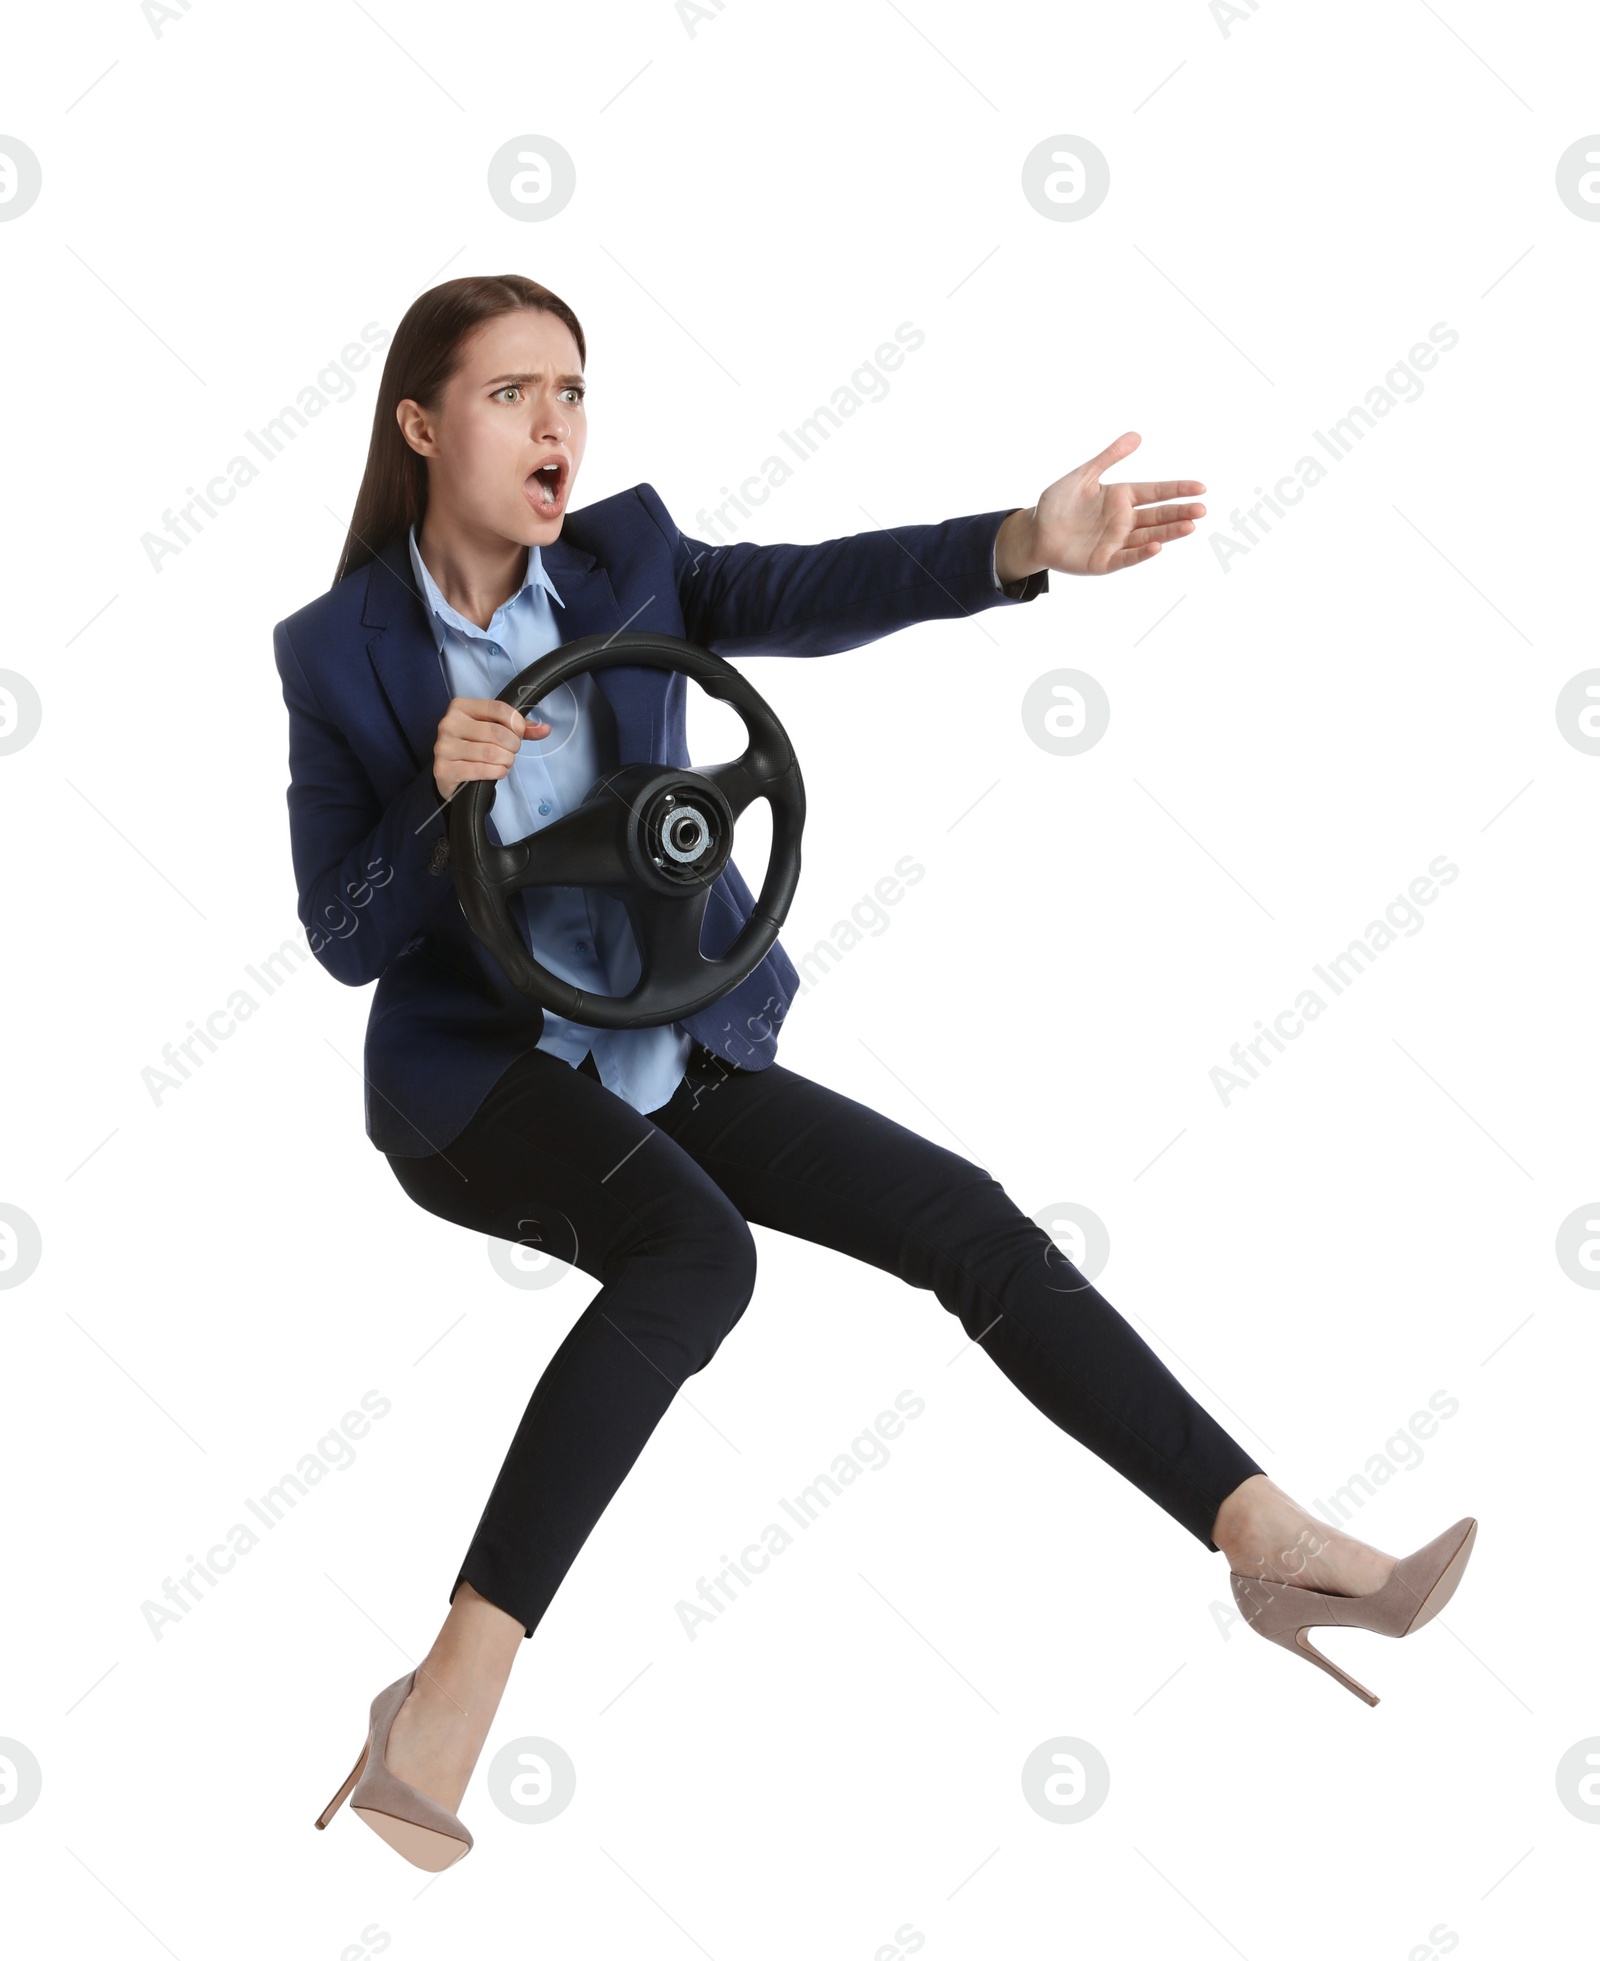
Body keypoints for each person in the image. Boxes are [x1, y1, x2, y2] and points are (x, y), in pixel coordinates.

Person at [278, 274, 1477, 1872]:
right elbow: (346, 937)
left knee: (965, 1219)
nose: (557, 422)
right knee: (694, 1252)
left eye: (573, 388)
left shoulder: (629, 557)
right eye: (514, 395)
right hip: (481, 1086)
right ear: (424, 426)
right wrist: (441, 805)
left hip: (668, 1040)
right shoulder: (338, 652)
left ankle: (1275, 1546)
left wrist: (1020, 548)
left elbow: (806, 586)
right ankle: (449, 1693)